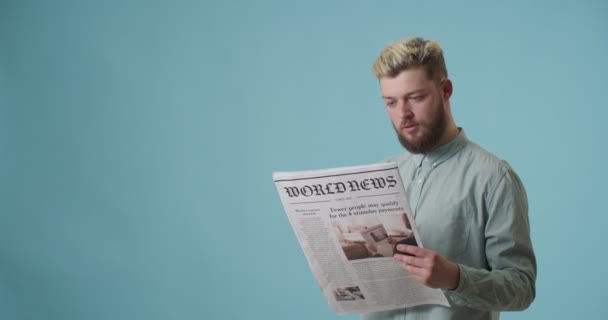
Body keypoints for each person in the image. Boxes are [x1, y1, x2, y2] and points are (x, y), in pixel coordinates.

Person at [362, 37, 536, 320]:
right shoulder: (379, 174)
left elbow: (521, 288)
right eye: (391, 102)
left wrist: (455, 278)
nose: (403, 114)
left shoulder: (494, 178)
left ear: (446, 90)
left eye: (415, 98)